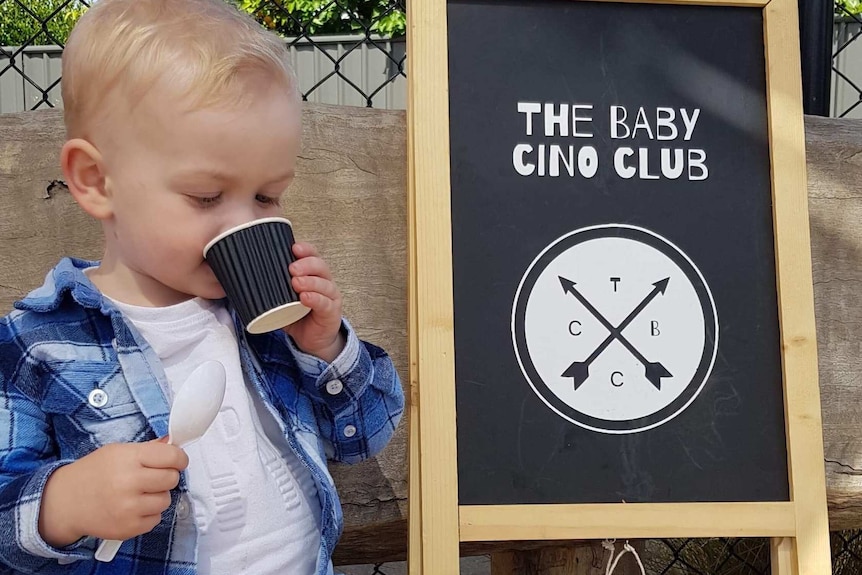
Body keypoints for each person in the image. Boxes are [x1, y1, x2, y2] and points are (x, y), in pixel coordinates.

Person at [0, 0, 404, 573]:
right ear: (97, 181)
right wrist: (61, 505)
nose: (243, 223)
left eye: (267, 197)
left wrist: (326, 349)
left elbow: (364, 438)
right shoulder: (36, 347)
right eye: (207, 197)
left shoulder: (267, 324)